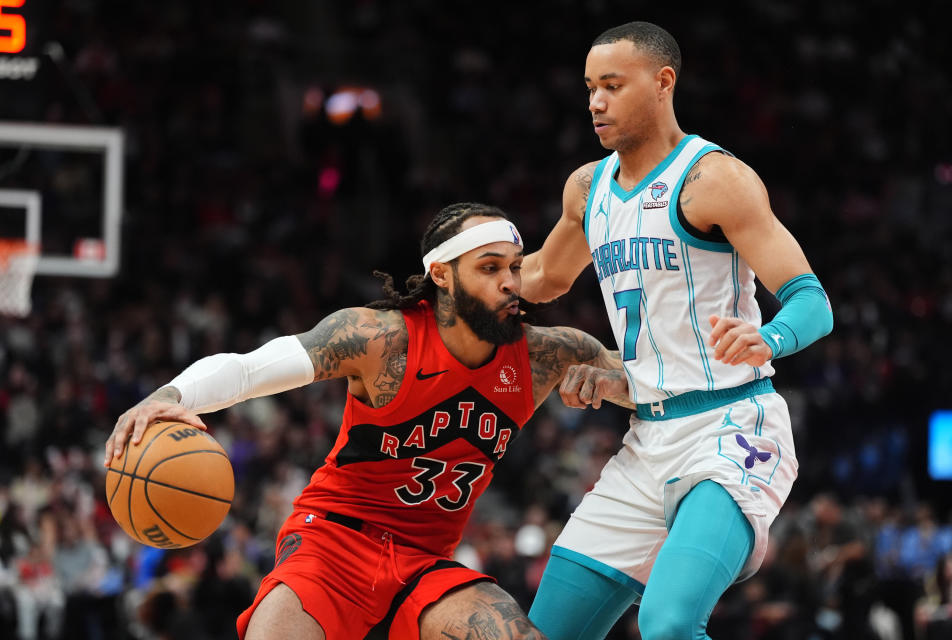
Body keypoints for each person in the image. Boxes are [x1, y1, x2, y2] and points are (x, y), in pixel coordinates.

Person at [104, 202, 633, 640]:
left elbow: (661, 384)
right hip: (331, 544)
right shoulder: (382, 340)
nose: (510, 282)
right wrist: (169, 395)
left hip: (425, 563)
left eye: (515, 267)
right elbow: (249, 370)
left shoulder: (546, 356)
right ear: (443, 275)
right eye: (490, 267)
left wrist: (622, 382)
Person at [520, 22, 834, 640]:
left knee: (667, 626)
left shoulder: (713, 179)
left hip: (733, 427)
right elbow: (541, 278)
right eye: (589, 88)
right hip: (647, 440)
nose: (595, 102)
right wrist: (450, 278)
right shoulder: (588, 189)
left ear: (663, 82)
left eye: (612, 85)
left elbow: (812, 302)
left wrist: (770, 337)